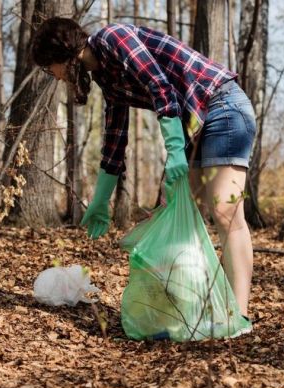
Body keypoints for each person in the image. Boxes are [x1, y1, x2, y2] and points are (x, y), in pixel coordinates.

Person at [31, 17, 256, 320]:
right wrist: (100, 201)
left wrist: (175, 150)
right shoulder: (106, 78)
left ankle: (238, 314)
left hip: (222, 106)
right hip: (195, 124)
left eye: (49, 68)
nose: (54, 77)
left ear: (61, 54)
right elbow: (114, 140)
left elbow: (159, 85)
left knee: (226, 213)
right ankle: (187, 308)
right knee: (177, 212)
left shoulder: (114, 37)